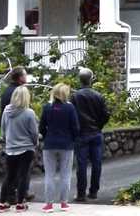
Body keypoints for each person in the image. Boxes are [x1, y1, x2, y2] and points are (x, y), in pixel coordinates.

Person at [71, 68, 111, 202]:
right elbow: (106, 115)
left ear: (80, 80)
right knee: (96, 163)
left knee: (81, 165)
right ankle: (93, 191)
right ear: (91, 79)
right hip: (95, 132)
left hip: (82, 134)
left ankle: (81, 193)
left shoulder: (75, 96)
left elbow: (72, 115)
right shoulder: (98, 96)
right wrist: (99, 125)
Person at [40, 83, 80, 213]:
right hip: (66, 145)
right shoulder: (70, 108)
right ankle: (63, 203)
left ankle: (49, 205)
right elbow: (75, 128)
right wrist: (73, 139)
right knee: (65, 175)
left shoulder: (47, 107)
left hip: (50, 144)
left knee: (49, 175)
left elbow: (41, 127)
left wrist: (47, 137)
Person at [0, 86, 38, 213]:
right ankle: (20, 203)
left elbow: (3, 131)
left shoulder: (6, 111)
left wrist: (7, 140)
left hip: (10, 149)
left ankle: (2, 202)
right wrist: (34, 143)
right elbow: (34, 133)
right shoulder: (29, 113)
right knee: (22, 176)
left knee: (9, 176)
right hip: (26, 149)